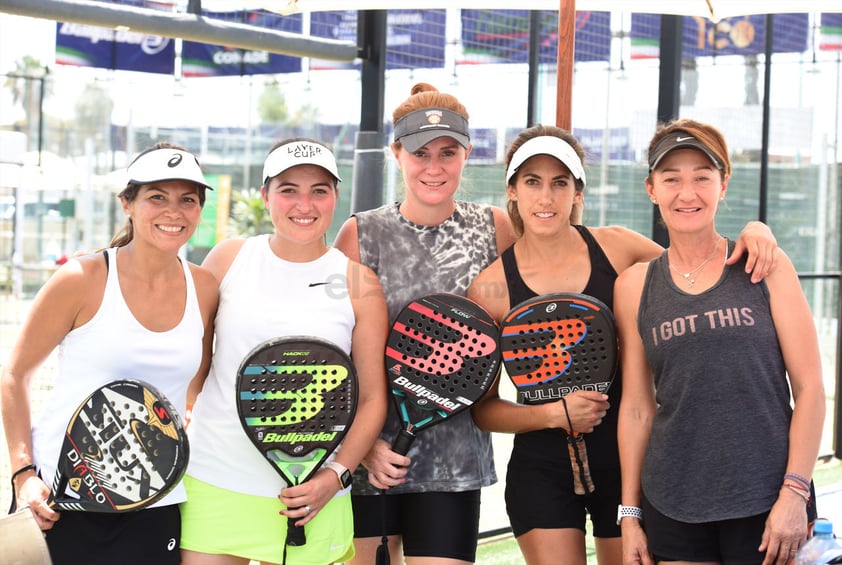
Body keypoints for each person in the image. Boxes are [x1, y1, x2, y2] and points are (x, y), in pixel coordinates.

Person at [467, 124, 780, 565]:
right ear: (513, 191)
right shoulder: (491, 287)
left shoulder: (618, 249)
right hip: (542, 470)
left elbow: (695, 269)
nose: (546, 198)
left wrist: (754, 230)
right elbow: (483, 411)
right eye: (532, 182)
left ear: (578, 192)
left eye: (561, 183)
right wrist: (553, 414)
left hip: (626, 462)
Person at [615, 118, 825, 565]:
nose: (686, 193)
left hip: (767, 502)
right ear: (652, 189)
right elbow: (636, 408)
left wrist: (794, 493)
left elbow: (809, 389)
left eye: (702, 178)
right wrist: (629, 514)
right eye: (671, 179)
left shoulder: (764, 264)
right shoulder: (635, 286)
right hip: (672, 501)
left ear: (723, 184)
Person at [1, 142, 219, 565]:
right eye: (157, 197)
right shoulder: (81, 278)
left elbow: (196, 385)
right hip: (57, 499)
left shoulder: (205, 288)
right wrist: (23, 475)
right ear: (128, 204)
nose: (173, 211)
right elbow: (14, 375)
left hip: (155, 503)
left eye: (187, 200)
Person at [180, 137, 389, 565]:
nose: (304, 204)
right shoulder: (228, 258)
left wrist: (334, 476)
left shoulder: (359, 282)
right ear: (265, 195)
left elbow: (370, 399)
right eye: (288, 189)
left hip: (313, 495)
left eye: (319, 190)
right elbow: (194, 362)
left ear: (336, 196)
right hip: (217, 479)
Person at [333, 82, 517, 565]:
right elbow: (333, 350)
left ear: (466, 153)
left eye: (447, 152)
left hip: (456, 463)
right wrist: (364, 444)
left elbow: (563, 255)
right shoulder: (361, 233)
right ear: (397, 154)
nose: (433, 167)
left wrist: (744, 234)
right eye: (420, 153)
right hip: (373, 462)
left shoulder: (495, 226)